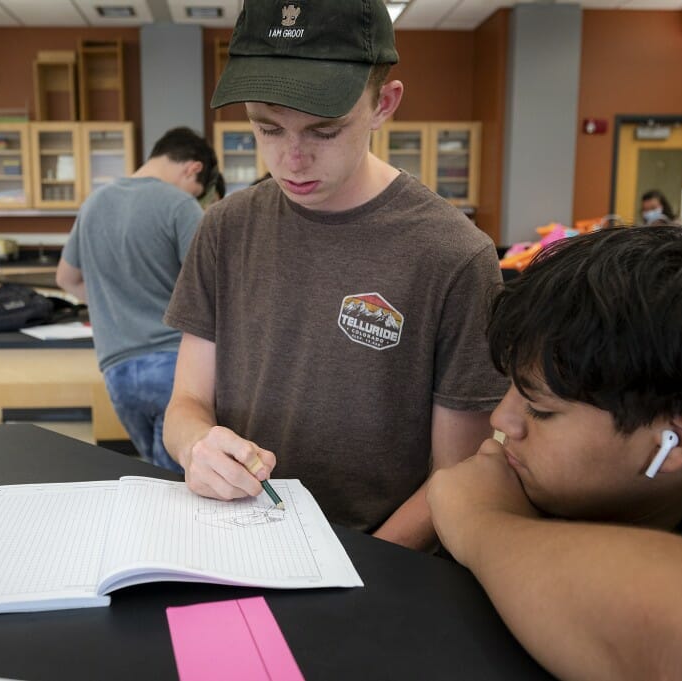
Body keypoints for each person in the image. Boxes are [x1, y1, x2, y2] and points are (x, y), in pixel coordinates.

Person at [163, 0, 506, 549]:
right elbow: (186, 406)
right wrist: (195, 446)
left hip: (382, 560)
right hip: (234, 538)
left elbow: (459, 474)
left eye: (324, 132)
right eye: (267, 128)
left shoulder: (453, 254)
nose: (292, 160)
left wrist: (363, 567)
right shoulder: (225, 229)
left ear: (383, 104)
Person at [428, 226, 682, 681]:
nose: (503, 421)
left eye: (541, 410)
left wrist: (482, 522)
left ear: (673, 437)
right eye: (512, 391)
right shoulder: (536, 479)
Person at [56, 127, 218, 472]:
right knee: (178, 483)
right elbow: (212, 285)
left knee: (156, 474)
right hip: (173, 368)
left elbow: (66, 279)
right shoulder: (179, 205)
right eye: (198, 191)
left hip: (116, 371)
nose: (195, 196)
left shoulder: (93, 203)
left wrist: (111, 302)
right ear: (194, 168)